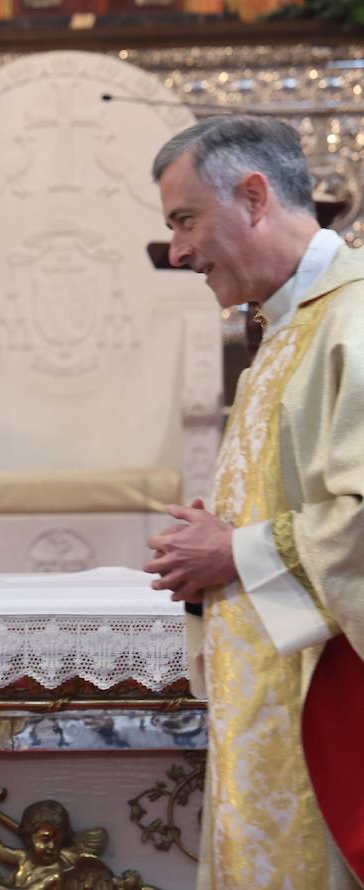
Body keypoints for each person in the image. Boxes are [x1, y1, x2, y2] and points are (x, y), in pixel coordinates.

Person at [144, 115, 364, 887]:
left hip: (331, 713)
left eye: (185, 220)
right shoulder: (290, 322)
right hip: (269, 704)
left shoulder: (354, 320)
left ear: (254, 196)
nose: (177, 251)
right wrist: (220, 541)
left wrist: (232, 550)